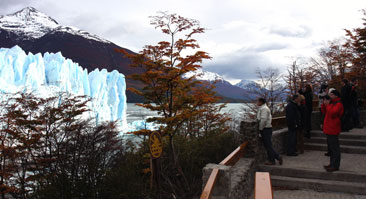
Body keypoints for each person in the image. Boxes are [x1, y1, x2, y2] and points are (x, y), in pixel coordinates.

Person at [321, 89, 344, 172]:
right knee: (331, 148)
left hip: (333, 128)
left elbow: (333, 113)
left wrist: (327, 105)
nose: (329, 96)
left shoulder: (338, 104)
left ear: (335, 96)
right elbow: (324, 112)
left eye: (331, 95)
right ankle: (332, 164)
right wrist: (324, 104)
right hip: (329, 128)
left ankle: (335, 165)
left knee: (335, 148)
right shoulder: (332, 103)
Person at [257, 98, 283, 165]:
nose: (257, 102)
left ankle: (276, 157)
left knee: (268, 145)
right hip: (267, 129)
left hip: (265, 129)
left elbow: (263, 120)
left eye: (258, 101)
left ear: (261, 102)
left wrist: (260, 129)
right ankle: (273, 159)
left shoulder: (264, 109)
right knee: (268, 145)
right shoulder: (264, 108)